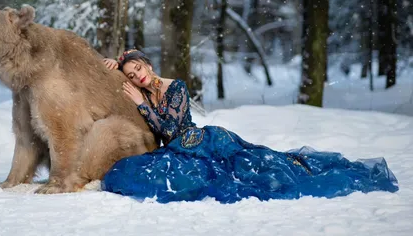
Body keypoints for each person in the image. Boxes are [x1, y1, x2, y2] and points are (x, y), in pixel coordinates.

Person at [100, 49, 399, 203]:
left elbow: (169, 130)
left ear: (149, 65)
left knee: (253, 169)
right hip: (177, 152)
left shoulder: (175, 87)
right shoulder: (144, 94)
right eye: (130, 74)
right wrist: (114, 66)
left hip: (203, 141)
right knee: (124, 175)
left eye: (138, 68)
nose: (136, 75)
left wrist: (142, 104)